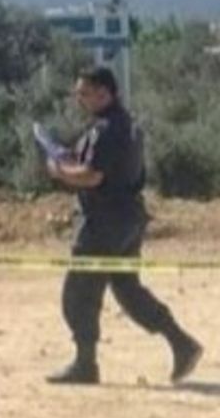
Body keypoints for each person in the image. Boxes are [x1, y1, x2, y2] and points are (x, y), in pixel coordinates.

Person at [45, 66, 202, 385]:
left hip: (104, 221)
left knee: (79, 291)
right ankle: (181, 343)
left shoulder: (108, 130)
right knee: (128, 290)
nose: (79, 99)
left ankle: (85, 364)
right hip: (125, 219)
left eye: (85, 93)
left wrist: (60, 173)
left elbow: (92, 176)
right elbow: (88, 163)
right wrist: (62, 156)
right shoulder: (120, 126)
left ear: (105, 93)